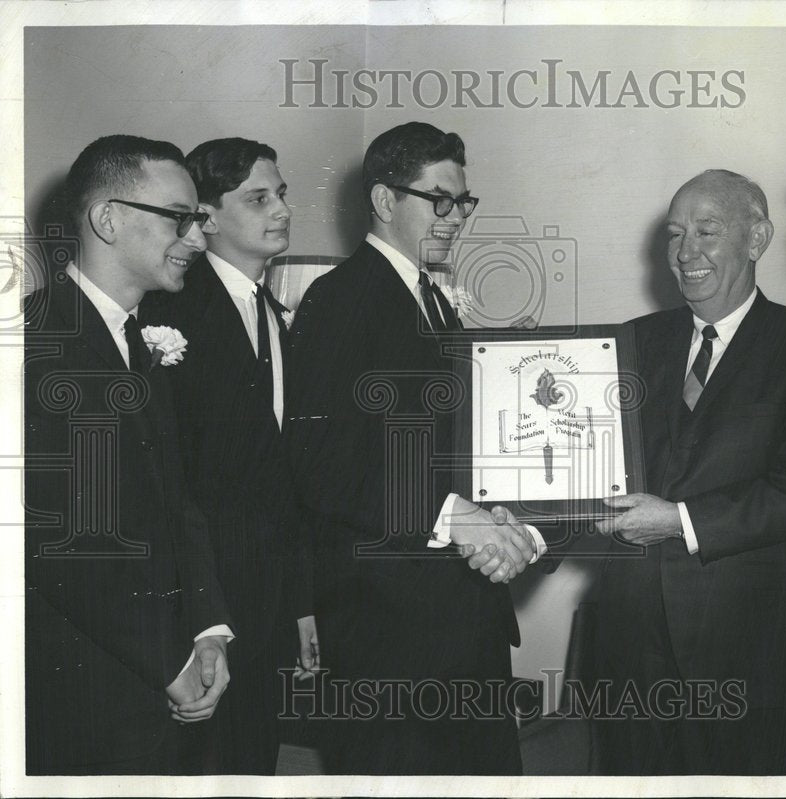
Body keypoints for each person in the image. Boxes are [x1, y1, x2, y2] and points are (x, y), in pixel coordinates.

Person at [284, 121, 542, 775]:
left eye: (463, 201)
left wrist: (509, 520)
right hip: (390, 633)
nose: (455, 217)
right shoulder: (340, 298)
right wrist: (459, 517)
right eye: (438, 198)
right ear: (383, 200)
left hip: (459, 620)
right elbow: (323, 465)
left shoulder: (431, 299)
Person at [592, 169, 786, 775]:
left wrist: (678, 521)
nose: (685, 253)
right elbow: (594, 470)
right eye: (676, 234)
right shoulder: (628, 342)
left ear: (757, 239)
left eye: (707, 231)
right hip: (631, 641)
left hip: (748, 649)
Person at [23, 134, 232, 774]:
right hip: (85, 687)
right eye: (180, 217)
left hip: (150, 673)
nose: (198, 240)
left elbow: (176, 503)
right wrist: (167, 658)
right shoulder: (43, 344)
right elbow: (70, 547)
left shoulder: (135, 339)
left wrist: (207, 629)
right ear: (107, 219)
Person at [141, 137, 315, 774]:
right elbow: (166, 481)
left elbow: (282, 474)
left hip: (265, 595)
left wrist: (298, 598)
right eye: (259, 198)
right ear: (206, 218)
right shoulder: (169, 309)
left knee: (253, 759)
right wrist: (195, 616)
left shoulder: (275, 312)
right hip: (201, 598)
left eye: (283, 194)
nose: (283, 210)